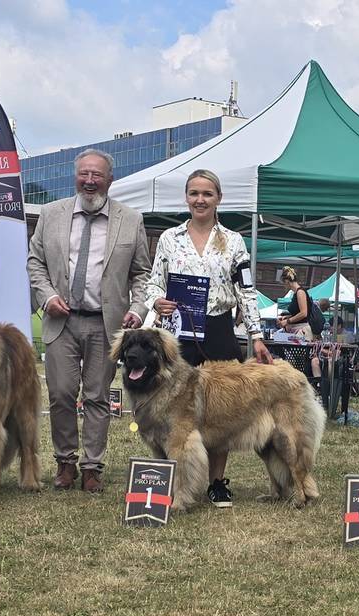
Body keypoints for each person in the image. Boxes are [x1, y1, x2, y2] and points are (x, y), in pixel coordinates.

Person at [27, 148, 151, 493]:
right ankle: (65, 462)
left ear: (110, 180)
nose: (90, 181)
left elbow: (142, 273)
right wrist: (48, 296)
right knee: (61, 394)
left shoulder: (131, 220)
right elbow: (35, 263)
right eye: (84, 174)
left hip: (106, 325)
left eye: (97, 175)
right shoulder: (51, 214)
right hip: (61, 320)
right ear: (75, 176)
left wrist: (138, 309)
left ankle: (92, 466)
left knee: (97, 397)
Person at [148, 168, 273, 508]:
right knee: (175, 412)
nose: (200, 199)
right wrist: (156, 301)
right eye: (194, 193)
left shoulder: (233, 241)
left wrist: (257, 336)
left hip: (218, 330)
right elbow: (154, 283)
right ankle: (175, 481)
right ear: (186, 198)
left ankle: (217, 482)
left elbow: (246, 291)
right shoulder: (169, 239)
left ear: (219, 198)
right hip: (178, 333)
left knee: (219, 409)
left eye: (207, 194)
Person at [277, 267, 314, 340]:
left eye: (284, 283)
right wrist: (287, 317)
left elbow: (304, 313)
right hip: (296, 331)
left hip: (301, 332)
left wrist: (287, 321)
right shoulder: (296, 293)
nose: (284, 286)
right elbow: (299, 312)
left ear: (287, 281)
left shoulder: (300, 292)